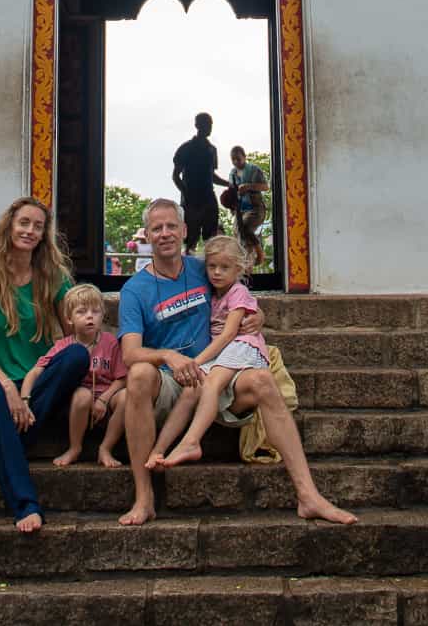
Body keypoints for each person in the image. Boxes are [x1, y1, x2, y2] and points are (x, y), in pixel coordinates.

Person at [114, 198, 356, 527]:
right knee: (140, 373)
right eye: (157, 228)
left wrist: (258, 316)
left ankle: (308, 496)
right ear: (147, 234)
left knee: (263, 381)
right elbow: (130, 353)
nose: (165, 233)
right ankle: (144, 497)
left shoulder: (203, 269)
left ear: (184, 230)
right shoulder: (135, 290)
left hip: (214, 372)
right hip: (170, 381)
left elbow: (238, 295)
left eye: (172, 226)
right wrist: (168, 356)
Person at [0, 197, 82, 533]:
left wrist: (26, 395)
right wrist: (7, 388)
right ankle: (25, 503)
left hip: (35, 388)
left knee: (76, 356)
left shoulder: (53, 277)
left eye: (38, 226)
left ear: (44, 235)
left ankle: (4, 438)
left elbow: (75, 335)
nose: (30, 231)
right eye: (24, 223)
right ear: (10, 227)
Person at [153, 235, 267, 468]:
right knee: (191, 390)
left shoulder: (237, 291)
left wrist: (195, 362)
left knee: (211, 384)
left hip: (242, 345)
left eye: (224, 267)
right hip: (222, 352)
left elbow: (228, 334)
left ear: (238, 269)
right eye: (212, 266)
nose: (216, 272)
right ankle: (158, 449)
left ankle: (192, 441)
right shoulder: (213, 293)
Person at [21, 283, 126, 467]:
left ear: (103, 315)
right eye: (81, 312)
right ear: (69, 319)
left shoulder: (110, 342)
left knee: (126, 397)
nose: (89, 316)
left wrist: (104, 399)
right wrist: (24, 399)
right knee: (82, 395)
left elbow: (122, 377)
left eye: (95, 311)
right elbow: (35, 372)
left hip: (107, 397)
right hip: (79, 401)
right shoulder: (64, 345)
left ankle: (106, 448)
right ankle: (75, 447)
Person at [171, 113, 227, 251]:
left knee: (211, 238)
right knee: (190, 239)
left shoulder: (212, 149)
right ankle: (188, 263)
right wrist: (187, 194)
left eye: (210, 124)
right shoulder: (186, 148)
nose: (209, 127)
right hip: (191, 201)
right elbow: (175, 176)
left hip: (208, 198)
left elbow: (212, 176)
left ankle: (210, 263)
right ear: (197, 125)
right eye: (205, 124)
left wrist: (229, 184)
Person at [228, 146, 272, 269]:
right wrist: (231, 205)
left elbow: (265, 187)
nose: (236, 162)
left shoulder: (254, 170)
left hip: (255, 208)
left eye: (238, 159)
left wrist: (249, 186)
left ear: (244, 157)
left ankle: (260, 253)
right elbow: (232, 192)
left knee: (245, 227)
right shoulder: (232, 173)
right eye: (233, 159)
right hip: (240, 210)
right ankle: (246, 264)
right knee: (238, 234)